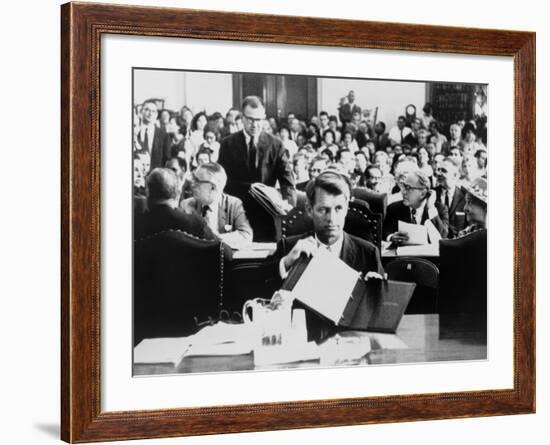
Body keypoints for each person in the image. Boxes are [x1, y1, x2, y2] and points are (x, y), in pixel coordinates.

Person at [271, 170, 384, 284]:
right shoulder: (288, 247)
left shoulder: (368, 253)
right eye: (323, 210)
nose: (331, 218)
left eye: (338, 208)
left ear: (346, 208)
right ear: (310, 210)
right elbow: (261, 288)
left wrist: (376, 290)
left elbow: (384, 299)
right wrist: (286, 262)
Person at [218, 96, 296, 240]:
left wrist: (288, 207)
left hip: (266, 213)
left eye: (258, 120)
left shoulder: (276, 144)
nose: (254, 125)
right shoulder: (228, 144)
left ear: (264, 118)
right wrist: (250, 188)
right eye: (250, 119)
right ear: (242, 118)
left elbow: (287, 180)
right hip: (237, 212)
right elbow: (222, 181)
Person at [180, 163, 253, 246]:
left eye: (197, 181)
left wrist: (214, 239)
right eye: (193, 180)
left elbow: (246, 235)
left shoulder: (234, 204)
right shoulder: (186, 205)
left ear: (213, 188)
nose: (192, 185)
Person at [134, 168, 215, 241]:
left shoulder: (135, 224)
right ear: (177, 194)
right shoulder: (195, 224)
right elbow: (219, 249)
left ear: (148, 193)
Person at [384, 170, 449, 242]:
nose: (403, 191)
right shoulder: (393, 209)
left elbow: (443, 236)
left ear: (423, 194)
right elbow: (384, 232)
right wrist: (391, 237)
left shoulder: (439, 209)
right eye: (403, 187)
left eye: (408, 188)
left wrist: (431, 208)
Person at [136, 99, 172, 171]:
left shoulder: (164, 135)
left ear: (156, 115)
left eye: (153, 111)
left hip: (156, 175)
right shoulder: (135, 132)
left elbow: (167, 159)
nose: (150, 113)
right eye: (147, 110)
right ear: (141, 112)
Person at [435, 157, 466, 237]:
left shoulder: (465, 198)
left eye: (444, 170)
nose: (439, 173)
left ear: (455, 175)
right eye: (439, 170)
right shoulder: (431, 195)